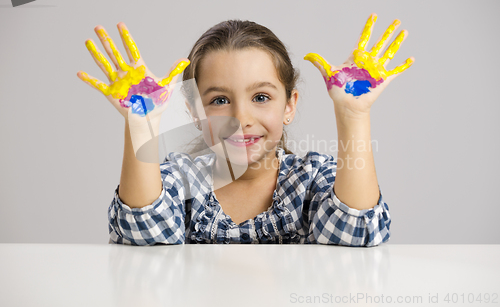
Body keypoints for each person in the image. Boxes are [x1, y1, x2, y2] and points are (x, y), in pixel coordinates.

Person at [77, 13, 413, 246]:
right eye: (220, 100)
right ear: (195, 112)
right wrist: (142, 125)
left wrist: (353, 114)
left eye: (261, 97)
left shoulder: (313, 179)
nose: (241, 116)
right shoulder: (179, 181)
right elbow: (140, 233)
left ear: (289, 105)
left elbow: (356, 233)